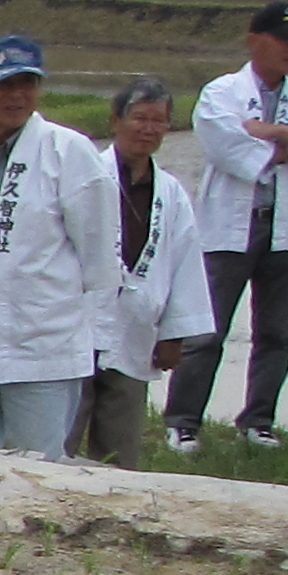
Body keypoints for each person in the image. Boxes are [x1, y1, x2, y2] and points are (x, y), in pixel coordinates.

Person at [0, 35, 111, 458]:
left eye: (26, 84)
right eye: (4, 86)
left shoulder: (70, 152)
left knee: (41, 461)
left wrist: (96, 332)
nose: (17, 95)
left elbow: (99, 256)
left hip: (40, 329)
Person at [170, 0, 288, 451]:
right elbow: (223, 145)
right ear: (254, 41)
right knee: (207, 329)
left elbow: (252, 139)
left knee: (277, 332)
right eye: (284, 39)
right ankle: (183, 421)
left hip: (286, 229)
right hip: (229, 227)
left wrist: (271, 132)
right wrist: (283, 147)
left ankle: (258, 421)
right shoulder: (220, 92)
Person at [80, 75, 216, 471]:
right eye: (140, 118)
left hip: (136, 328)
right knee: (61, 436)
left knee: (119, 446)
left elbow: (185, 263)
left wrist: (174, 335)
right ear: (116, 121)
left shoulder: (171, 193)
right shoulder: (86, 175)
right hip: (79, 321)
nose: (149, 128)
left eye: (159, 120)